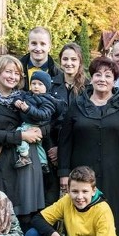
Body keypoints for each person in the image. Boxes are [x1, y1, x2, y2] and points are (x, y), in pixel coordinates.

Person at [58, 57, 119, 236]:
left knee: (113, 204)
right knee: (83, 203)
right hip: (82, 166)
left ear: (114, 80)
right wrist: (64, 172)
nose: (102, 79)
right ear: (91, 78)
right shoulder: (78, 104)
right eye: (98, 74)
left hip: (115, 168)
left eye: (108, 75)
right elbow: (65, 140)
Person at [0, 56, 45, 235]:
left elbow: (45, 116)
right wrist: (21, 135)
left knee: (28, 211)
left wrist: (41, 131)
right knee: (4, 209)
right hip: (2, 161)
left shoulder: (25, 97)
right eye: (8, 71)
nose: (13, 76)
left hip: (27, 158)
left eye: (16, 73)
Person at [46, 42, 89, 205]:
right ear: (60, 61)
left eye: (73, 59)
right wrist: (53, 148)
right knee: (52, 198)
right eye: (65, 59)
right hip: (52, 149)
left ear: (80, 61)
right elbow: (45, 120)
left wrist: (65, 150)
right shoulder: (50, 85)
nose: (69, 63)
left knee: (78, 197)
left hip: (78, 149)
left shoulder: (88, 88)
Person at [13, 70, 64, 171]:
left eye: (40, 84)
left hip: (35, 126)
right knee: (38, 146)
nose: (36, 86)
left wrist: (28, 109)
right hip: (30, 124)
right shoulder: (28, 94)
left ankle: (24, 155)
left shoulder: (48, 100)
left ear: (47, 87)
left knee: (18, 134)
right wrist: (17, 101)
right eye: (33, 83)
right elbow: (19, 96)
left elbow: (43, 115)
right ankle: (43, 163)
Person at [20, 26, 61, 91]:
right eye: (34, 43)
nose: (38, 48)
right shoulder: (17, 70)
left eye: (42, 44)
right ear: (28, 46)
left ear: (49, 47)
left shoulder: (59, 74)